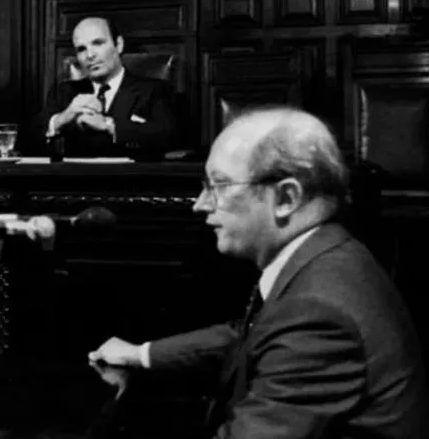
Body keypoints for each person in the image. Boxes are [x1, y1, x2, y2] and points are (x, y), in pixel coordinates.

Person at [87, 105, 426, 438]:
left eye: (218, 186)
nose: (200, 204)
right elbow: (247, 335)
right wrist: (142, 354)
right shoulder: (324, 255)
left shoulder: (319, 312)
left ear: (286, 197)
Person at [28, 17, 178, 156]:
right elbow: (27, 142)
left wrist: (108, 125)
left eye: (98, 43)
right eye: (81, 49)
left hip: (132, 176)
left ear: (118, 45)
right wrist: (62, 118)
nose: (90, 55)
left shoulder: (156, 90)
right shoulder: (64, 91)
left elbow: (170, 136)